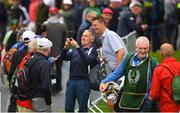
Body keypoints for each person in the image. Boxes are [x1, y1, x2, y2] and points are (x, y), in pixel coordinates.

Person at [99, 36, 158, 112]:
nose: (142, 51)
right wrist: (104, 82)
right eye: (140, 48)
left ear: (149, 48)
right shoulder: (128, 58)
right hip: (128, 99)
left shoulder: (153, 63)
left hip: (144, 102)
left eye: (145, 48)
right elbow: (117, 74)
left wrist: (149, 97)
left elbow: (157, 83)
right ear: (136, 48)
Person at [92, 16, 127, 112]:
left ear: (103, 24)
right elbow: (114, 53)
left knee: (112, 101)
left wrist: (117, 69)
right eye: (92, 25)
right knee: (111, 101)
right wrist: (105, 59)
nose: (94, 27)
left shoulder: (110, 35)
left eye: (95, 25)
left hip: (121, 73)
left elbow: (121, 51)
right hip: (118, 73)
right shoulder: (104, 37)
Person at [61, 30, 98, 112]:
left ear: (91, 39)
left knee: (82, 109)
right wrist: (65, 47)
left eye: (86, 36)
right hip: (71, 81)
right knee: (68, 108)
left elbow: (87, 61)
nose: (83, 37)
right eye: (82, 36)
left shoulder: (93, 51)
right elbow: (63, 57)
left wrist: (77, 47)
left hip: (83, 82)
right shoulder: (76, 50)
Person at [149, 43, 180, 112]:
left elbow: (154, 93)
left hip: (166, 107)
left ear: (161, 54)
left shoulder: (158, 70)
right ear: (173, 53)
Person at [29, 38, 53, 112]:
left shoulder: (31, 59)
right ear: (48, 49)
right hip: (41, 99)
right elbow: (46, 85)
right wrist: (48, 100)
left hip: (31, 96)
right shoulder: (44, 63)